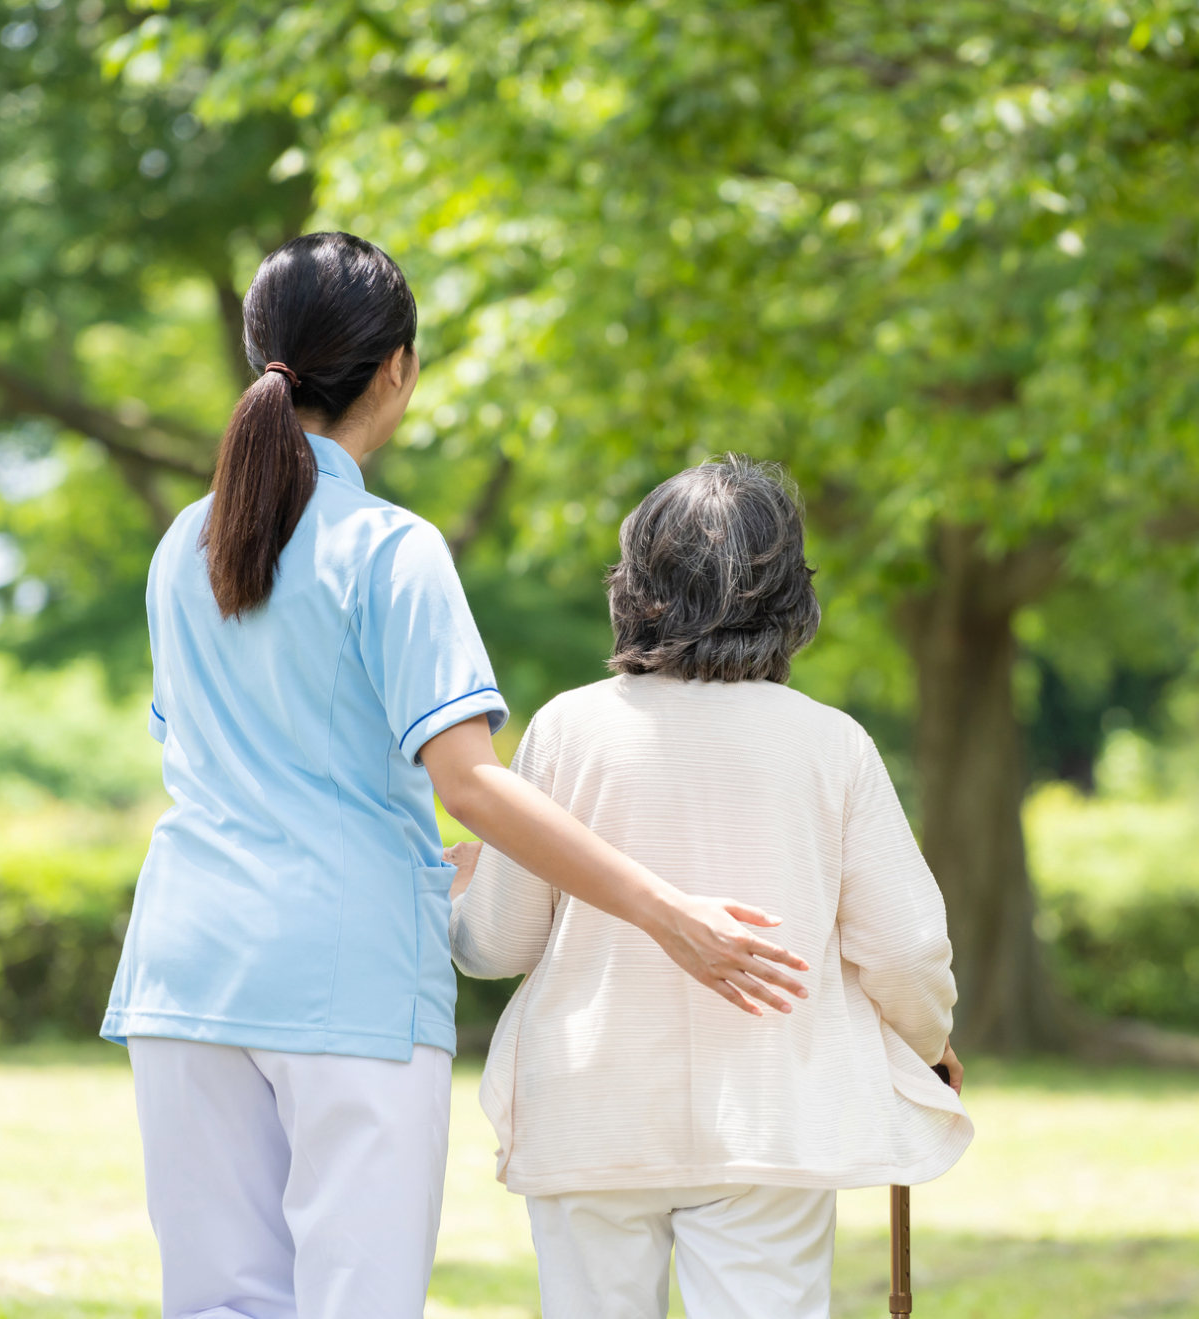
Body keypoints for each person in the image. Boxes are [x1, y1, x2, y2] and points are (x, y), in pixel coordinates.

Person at [99, 233, 810, 1319]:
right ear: (399, 367)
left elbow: (237, 759)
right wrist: (668, 910)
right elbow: (471, 782)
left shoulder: (185, 545)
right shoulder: (392, 548)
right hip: (346, 975)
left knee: (219, 1303)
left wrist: (399, 840)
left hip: (185, 965)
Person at [448, 455, 973, 1319]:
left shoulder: (567, 730)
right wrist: (925, 1043)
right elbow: (907, 946)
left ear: (635, 583)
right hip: (768, 1118)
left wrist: (462, 895)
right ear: (791, 596)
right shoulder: (830, 743)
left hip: (592, 1108)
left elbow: (497, 943)